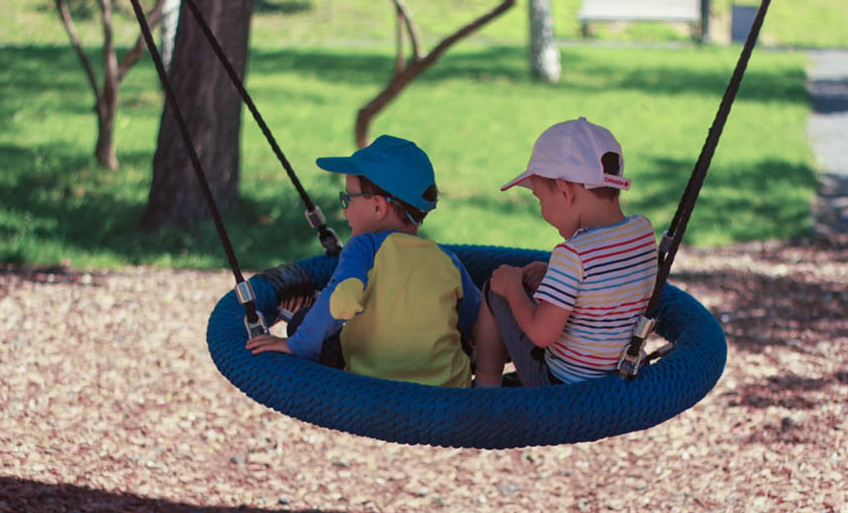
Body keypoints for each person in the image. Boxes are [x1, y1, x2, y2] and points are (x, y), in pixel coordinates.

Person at [246, 134, 481, 388]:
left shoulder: (363, 247)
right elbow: (479, 322)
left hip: (373, 384)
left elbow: (343, 299)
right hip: (446, 390)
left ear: (378, 208)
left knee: (303, 319)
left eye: (348, 198)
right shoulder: (448, 261)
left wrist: (297, 345)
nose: (344, 209)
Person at [473, 117, 658, 387]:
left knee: (496, 288)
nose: (542, 210)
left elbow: (542, 334)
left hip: (561, 385)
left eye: (540, 199)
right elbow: (610, 286)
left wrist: (513, 288)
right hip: (616, 374)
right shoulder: (642, 231)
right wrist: (555, 276)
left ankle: (484, 392)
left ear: (563, 190)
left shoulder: (573, 254)